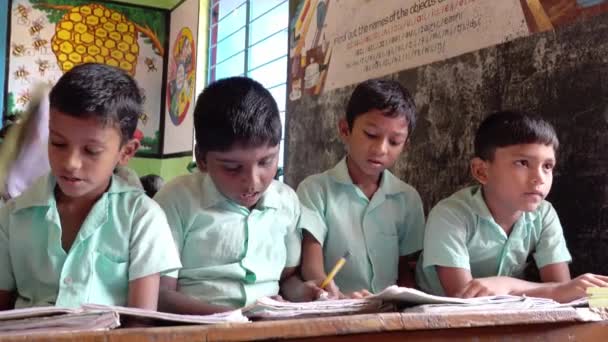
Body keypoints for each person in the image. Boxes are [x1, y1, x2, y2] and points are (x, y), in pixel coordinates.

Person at [0, 63, 181, 310]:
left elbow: (141, 321)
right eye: (58, 143)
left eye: (91, 151)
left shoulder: (142, 218)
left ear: (126, 152)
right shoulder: (13, 215)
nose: (71, 163)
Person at [155, 77, 321, 314]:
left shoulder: (286, 201)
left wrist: (304, 292)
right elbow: (160, 295)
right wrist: (236, 319)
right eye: (232, 168)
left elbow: (286, 280)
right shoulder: (176, 199)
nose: (253, 182)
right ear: (202, 159)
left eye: (266, 161)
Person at [416, 110, 608, 303]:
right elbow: (464, 296)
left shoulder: (544, 213)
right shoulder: (450, 214)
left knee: (601, 303)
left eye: (547, 166)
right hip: (440, 321)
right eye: (523, 163)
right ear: (481, 171)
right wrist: (511, 286)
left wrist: (507, 285)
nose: (540, 178)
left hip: (508, 313)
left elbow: (562, 288)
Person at [298, 79, 425, 297]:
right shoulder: (316, 190)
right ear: (345, 129)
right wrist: (330, 293)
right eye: (371, 135)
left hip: (389, 313)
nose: (381, 149)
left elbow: (405, 269)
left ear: (406, 145)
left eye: (394, 142)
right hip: (335, 307)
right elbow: (312, 266)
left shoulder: (407, 198)